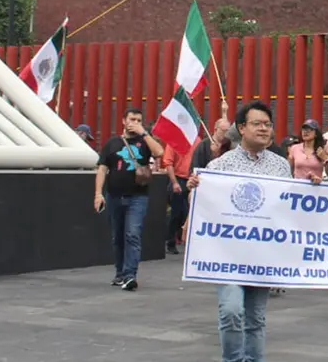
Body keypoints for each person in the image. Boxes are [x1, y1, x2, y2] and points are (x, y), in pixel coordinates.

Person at [186, 101, 294, 362]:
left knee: (255, 318)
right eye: (257, 124)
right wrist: (194, 189)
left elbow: (290, 207)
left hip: (262, 254)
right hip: (228, 255)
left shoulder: (281, 166)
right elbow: (201, 202)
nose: (264, 129)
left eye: (268, 125)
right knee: (232, 311)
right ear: (241, 128)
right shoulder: (221, 164)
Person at [93, 107, 165, 291]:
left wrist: (145, 133)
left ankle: (130, 275)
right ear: (124, 121)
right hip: (114, 195)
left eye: (139, 120)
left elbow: (159, 152)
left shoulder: (144, 141)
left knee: (132, 234)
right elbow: (102, 168)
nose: (135, 123)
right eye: (132, 119)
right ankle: (120, 273)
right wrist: (98, 193)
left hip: (137, 197)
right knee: (117, 237)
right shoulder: (112, 143)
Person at [161, 127, 196, 254]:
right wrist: (174, 182)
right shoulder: (173, 142)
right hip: (178, 179)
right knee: (177, 213)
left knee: (189, 213)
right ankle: (170, 241)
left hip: (192, 179)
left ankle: (187, 241)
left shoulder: (197, 141)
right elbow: (168, 163)